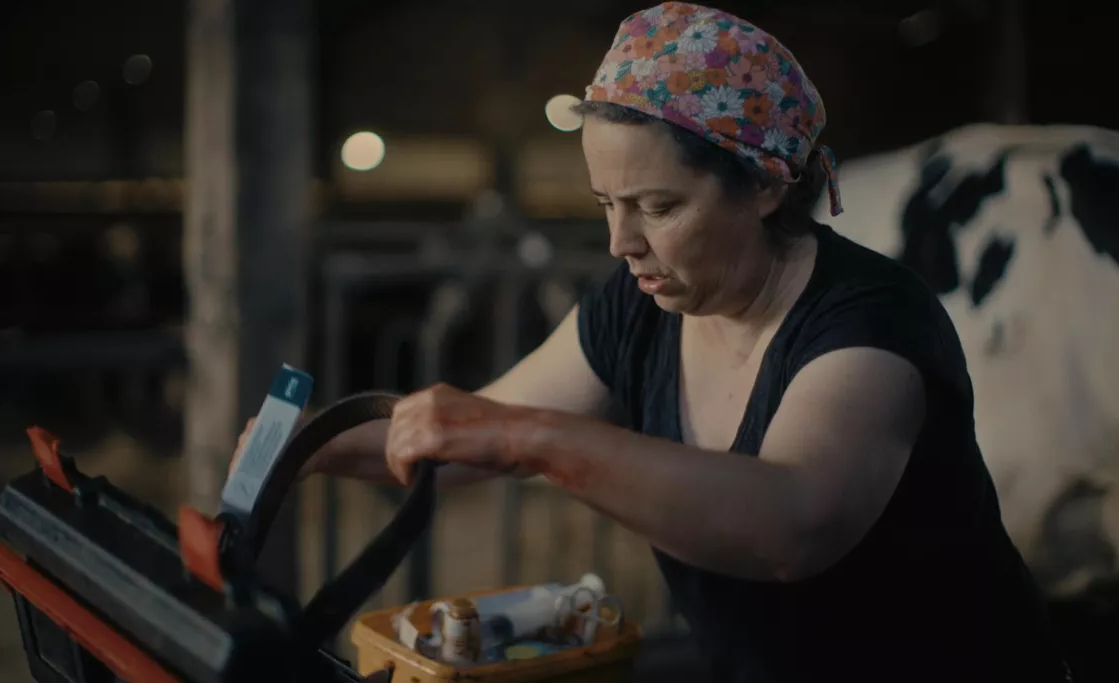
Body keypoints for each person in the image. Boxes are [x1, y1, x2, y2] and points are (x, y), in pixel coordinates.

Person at [234, 3, 1070, 681]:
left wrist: (531, 437)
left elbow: (792, 522)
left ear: (765, 184)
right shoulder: (639, 308)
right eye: (607, 203)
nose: (620, 242)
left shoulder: (871, 323)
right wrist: (307, 446)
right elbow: (462, 441)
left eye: (659, 207)